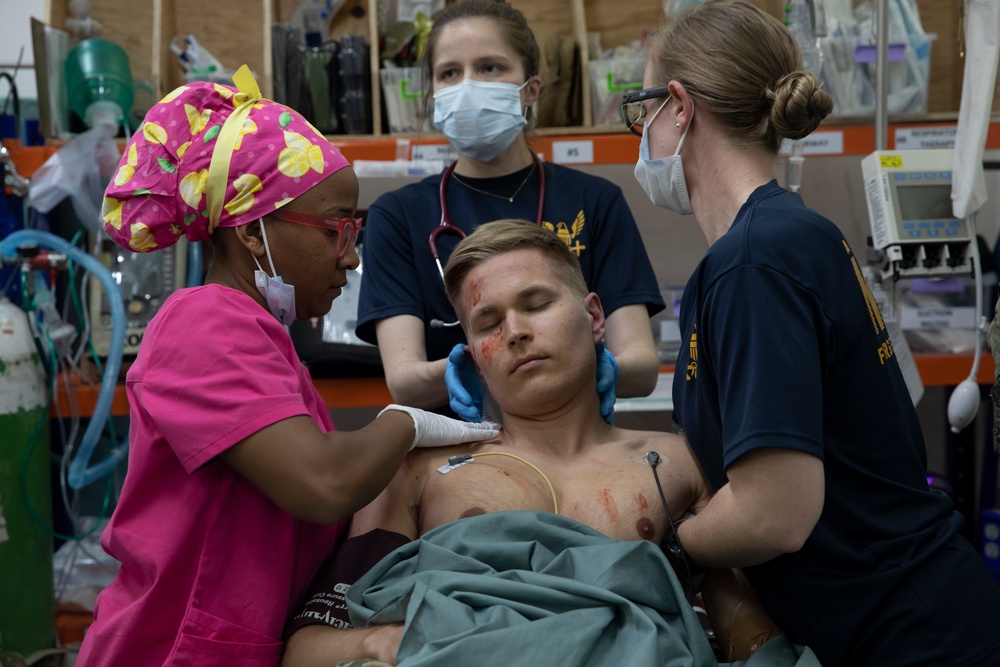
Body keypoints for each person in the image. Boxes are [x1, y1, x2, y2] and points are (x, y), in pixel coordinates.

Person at [75, 68, 497, 667]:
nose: (352, 258)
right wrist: (408, 424)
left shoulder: (264, 340)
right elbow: (323, 483)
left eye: (356, 230)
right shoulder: (204, 324)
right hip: (170, 649)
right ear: (251, 231)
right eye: (337, 230)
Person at [627, 2, 1000, 666]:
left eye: (643, 110)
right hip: (902, 612)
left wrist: (676, 544)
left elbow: (776, 511)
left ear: (679, 107)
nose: (641, 133)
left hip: (907, 632)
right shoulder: (791, 233)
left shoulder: (752, 263)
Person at [281, 220, 809, 667]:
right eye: (488, 321)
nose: (514, 332)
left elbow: (749, 641)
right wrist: (381, 641)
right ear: (473, 355)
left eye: (536, 304)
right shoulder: (415, 472)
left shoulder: (679, 461)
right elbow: (307, 646)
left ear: (595, 316)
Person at [357, 0, 665, 422]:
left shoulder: (594, 200)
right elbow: (405, 381)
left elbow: (641, 366)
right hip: (457, 455)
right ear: (433, 94)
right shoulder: (397, 215)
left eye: (490, 68)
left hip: (577, 446)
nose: (468, 86)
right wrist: (507, 364)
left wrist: (559, 367)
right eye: (449, 73)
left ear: (531, 89)